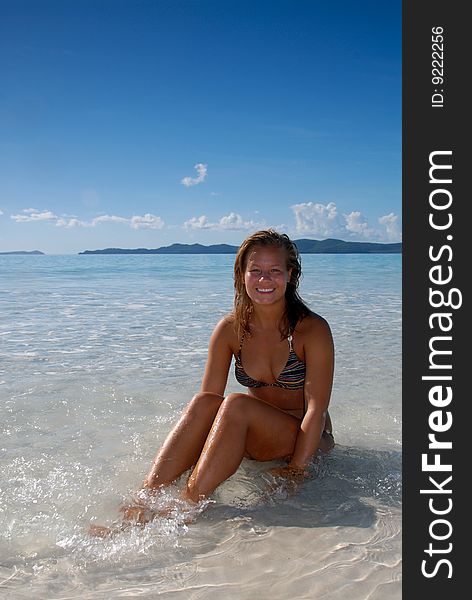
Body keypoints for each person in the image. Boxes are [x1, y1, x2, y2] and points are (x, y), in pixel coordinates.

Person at [92, 229, 334, 534]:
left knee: (237, 404)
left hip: (305, 440)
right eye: (255, 271)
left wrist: (296, 471)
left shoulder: (311, 330)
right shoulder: (230, 329)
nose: (264, 280)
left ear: (290, 275)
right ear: (241, 275)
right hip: (257, 438)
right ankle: (145, 498)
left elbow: (316, 410)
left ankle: (186, 505)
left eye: (275, 271)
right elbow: (207, 407)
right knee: (205, 400)